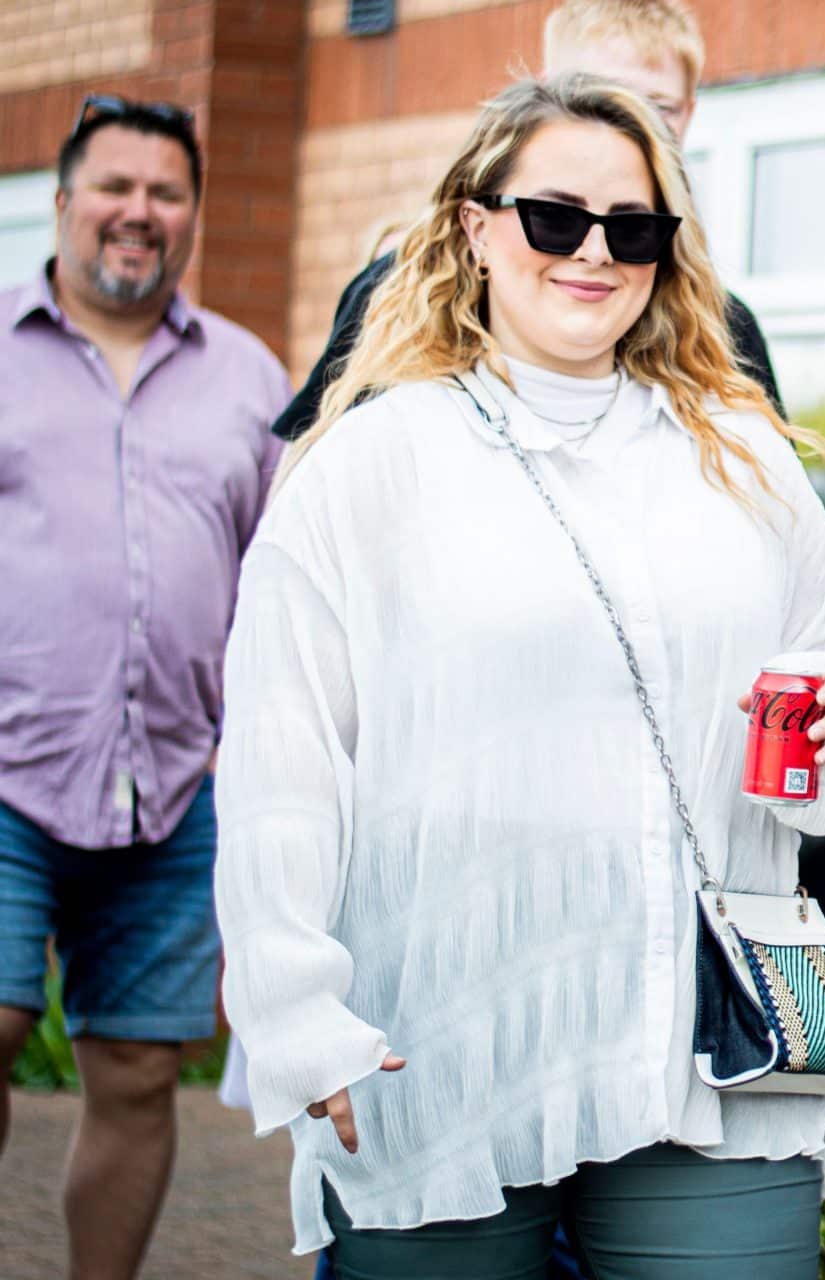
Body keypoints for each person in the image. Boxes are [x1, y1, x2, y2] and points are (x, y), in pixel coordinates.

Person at [214, 74, 825, 1271]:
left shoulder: (746, 467)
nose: (593, 254)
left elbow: (824, 742)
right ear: (474, 227)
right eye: (554, 217)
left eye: (633, 228)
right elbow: (279, 761)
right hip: (449, 1033)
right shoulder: (369, 469)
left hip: (707, 1047)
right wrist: (297, 1012)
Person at [0, 92, 287, 1280]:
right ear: (64, 201)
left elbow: (280, 576)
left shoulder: (245, 373)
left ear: (190, 216)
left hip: (177, 785)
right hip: (9, 772)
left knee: (137, 1068)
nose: (139, 212)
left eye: (166, 193)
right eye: (115, 187)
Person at [269, 0, 781, 442]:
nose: (625, 123)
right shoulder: (404, 287)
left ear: (689, 111)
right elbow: (313, 469)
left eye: (655, 106)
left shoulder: (721, 324)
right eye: (599, 95)